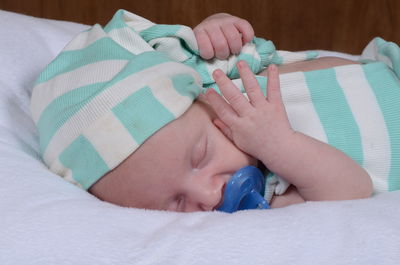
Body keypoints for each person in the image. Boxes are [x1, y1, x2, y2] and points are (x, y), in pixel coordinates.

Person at [32, 10, 400, 212]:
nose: (208, 195)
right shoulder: (269, 190)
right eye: (177, 204)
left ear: (203, 101)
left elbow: (234, 44)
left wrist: (217, 27)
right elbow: (352, 189)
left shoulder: (220, 83)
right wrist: (280, 146)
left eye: (200, 154)